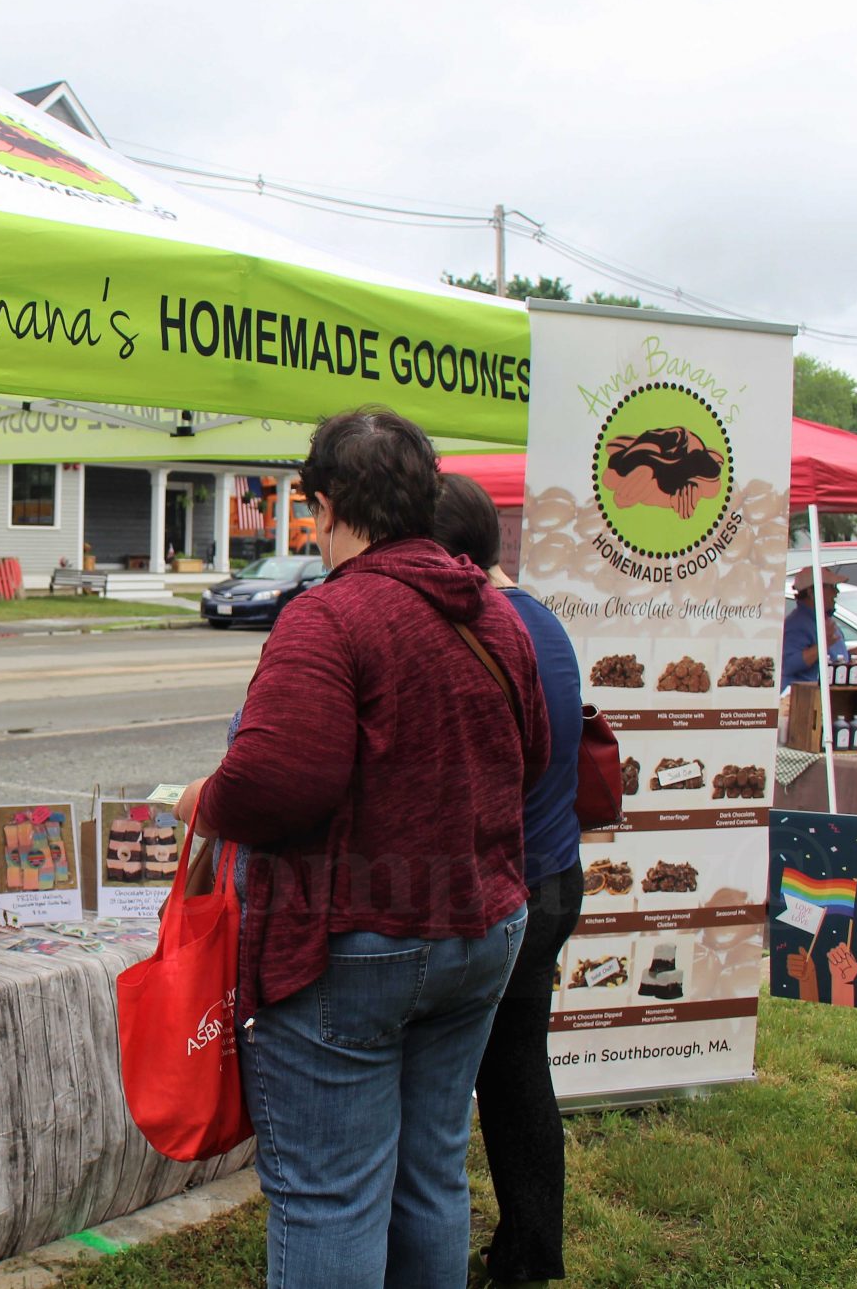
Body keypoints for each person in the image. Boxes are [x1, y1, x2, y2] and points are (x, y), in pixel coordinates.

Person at [178, 409, 548, 1289]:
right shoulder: (498, 617)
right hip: (481, 930)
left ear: (326, 504)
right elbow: (530, 757)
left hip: (357, 945)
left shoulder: (329, 618)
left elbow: (278, 779)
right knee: (430, 1175)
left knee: (328, 1196)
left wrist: (209, 798)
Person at [432, 472, 584, 1286]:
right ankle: (527, 1252)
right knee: (518, 1070)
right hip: (557, 872)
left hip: (511, 889)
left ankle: (440, 1246)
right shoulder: (541, 618)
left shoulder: (489, 631)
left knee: (457, 1084)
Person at [781, 565, 857, 686]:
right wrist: (822, 645)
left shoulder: (822, 621)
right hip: (806, 700)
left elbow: (841, 659)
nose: (836, 592)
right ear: (812, 592)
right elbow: (787, 665)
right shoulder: (798, 625)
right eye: (831, 587)